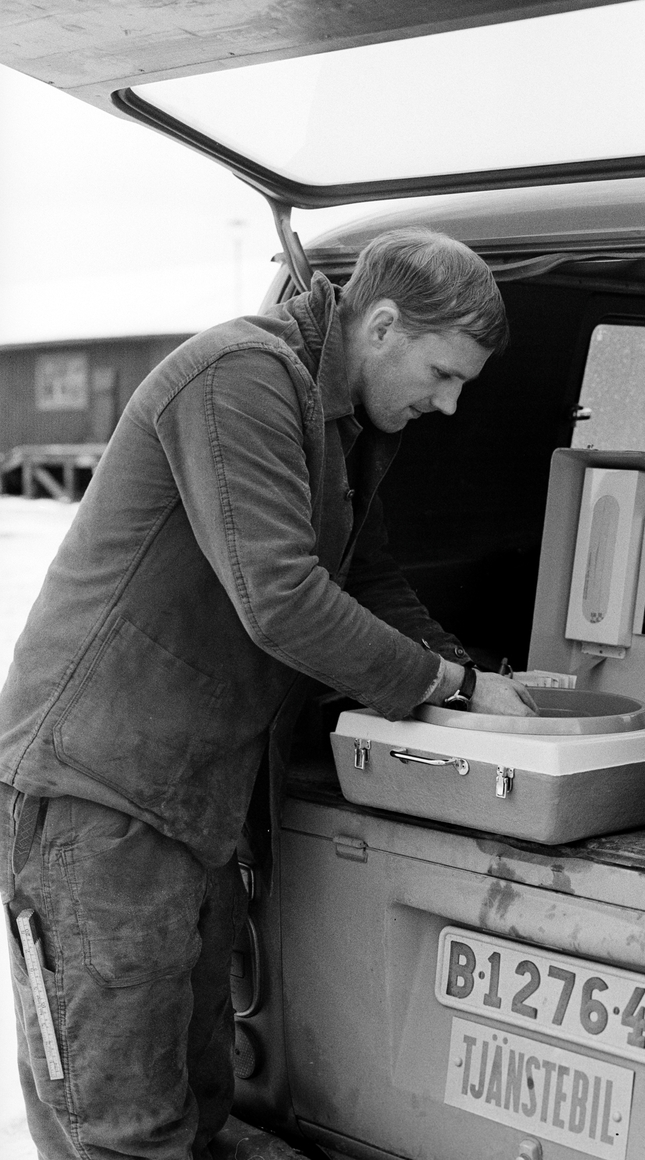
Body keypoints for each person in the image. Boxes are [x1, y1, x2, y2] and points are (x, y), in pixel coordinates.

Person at [0, 226, 537, 1159]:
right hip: (97, 794)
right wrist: (445, 683)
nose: (449, 404)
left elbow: (366, 578)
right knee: (122, 1129)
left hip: (189, 799)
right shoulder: (241, 377)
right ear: (381, 325)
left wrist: (476, 687)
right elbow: (282, 598)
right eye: (444, 374)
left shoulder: (348, 425)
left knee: (203, 1102)